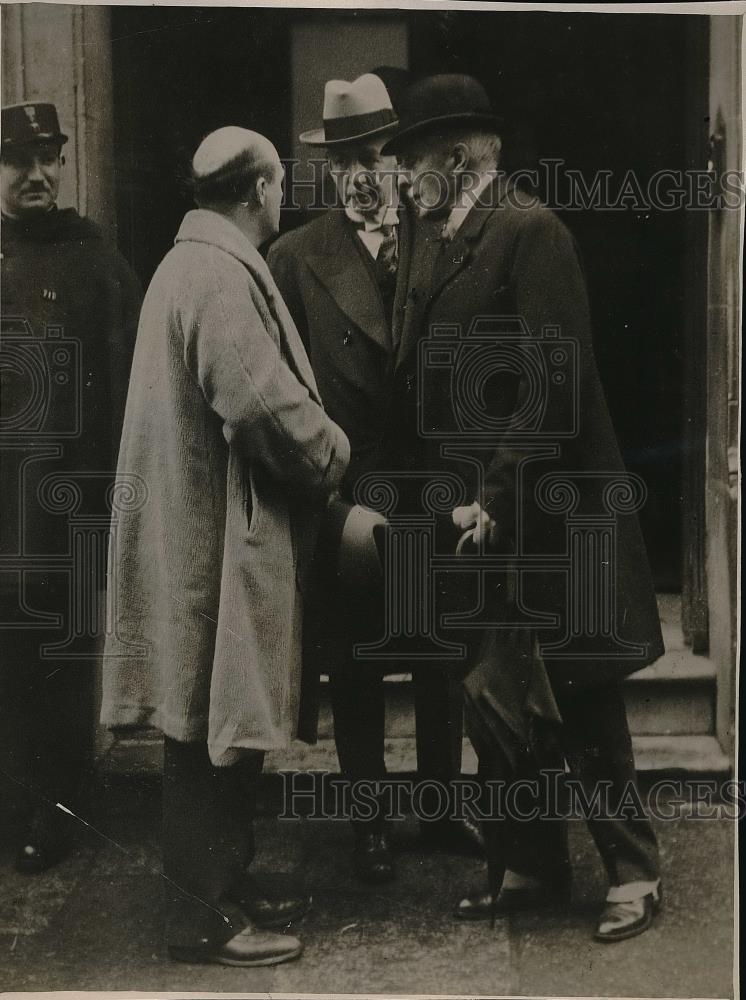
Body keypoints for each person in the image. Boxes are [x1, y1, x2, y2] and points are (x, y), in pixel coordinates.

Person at [381, 74, 665, 942]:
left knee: (578, 696)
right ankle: (533, 864)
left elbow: (553, 378)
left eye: (414, 163)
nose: (401, 179)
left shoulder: (532, 230)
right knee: (496, 699)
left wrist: (495, 498)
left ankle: (635, 871)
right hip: (474, 516)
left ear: (456, 158)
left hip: (544, 510)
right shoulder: (436, 242)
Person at [101, 127, 350, 967]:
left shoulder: (191, 263)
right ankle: (200, 917)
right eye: (280, 183)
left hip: (201, 528)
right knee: (204, 720)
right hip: (211, 540)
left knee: (212, 717)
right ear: (258, 192)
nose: (284, 197)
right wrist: (331, 451)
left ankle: (224, 885)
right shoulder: (215, 275)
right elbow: (257, 403)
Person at [268, 72, 481, 887]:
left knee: (439, 653)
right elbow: (283, 393)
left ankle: (440, 801)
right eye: (345, 156)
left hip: (431, 484)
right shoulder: (293, 258)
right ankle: (367, 821)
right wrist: (328, 502)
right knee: (356, 661)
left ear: (401, 163)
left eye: (377, 155)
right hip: (352, 493)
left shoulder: (442, 240)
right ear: (325, 168)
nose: (363, 172)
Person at [0, 101, 141, 873]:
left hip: (66, 500)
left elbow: (131, 384)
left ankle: (54, 808)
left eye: (49, 158)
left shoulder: (95, 260)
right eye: (19, 161)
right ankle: (12, 801)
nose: (38, 174)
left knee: (61, 656)